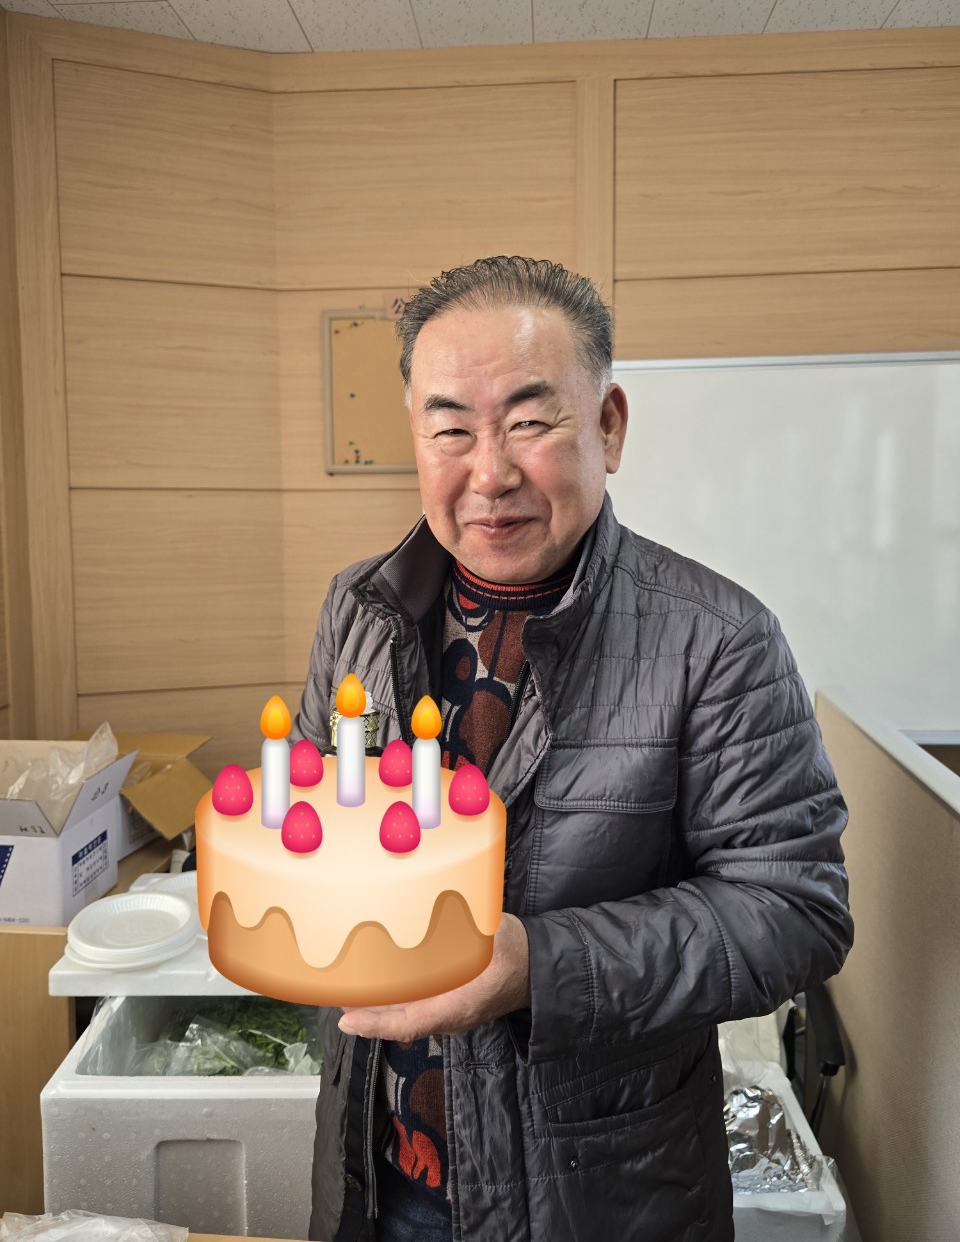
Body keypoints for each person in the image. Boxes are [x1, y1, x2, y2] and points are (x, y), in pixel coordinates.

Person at [293, 256, 853, 1242]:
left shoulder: (718, 640)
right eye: (451, 428)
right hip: (381, 1173)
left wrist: (539, 965)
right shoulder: (360, 608)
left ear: (609, 425)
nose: (489, 472)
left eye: (528, 421)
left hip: (599, 1195)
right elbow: (312, 812)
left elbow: (794, 911)